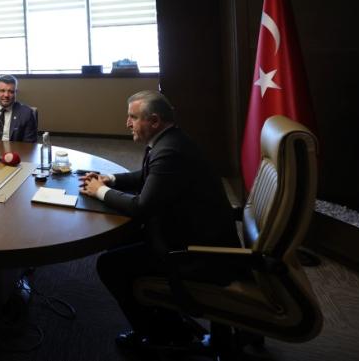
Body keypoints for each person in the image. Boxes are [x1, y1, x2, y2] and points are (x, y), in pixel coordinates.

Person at [79, 90, 241, 350]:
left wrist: (100, 191)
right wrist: (112, 179)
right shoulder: (170, 141)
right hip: (191, 232)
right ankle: (168, 320)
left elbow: (141, 207)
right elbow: (149, 175)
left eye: (133, 117)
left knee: (109, 265)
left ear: (154, 121)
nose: (127, 123)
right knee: (119, 241)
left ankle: (159, 336)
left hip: (196, 253)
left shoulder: (170, 151)